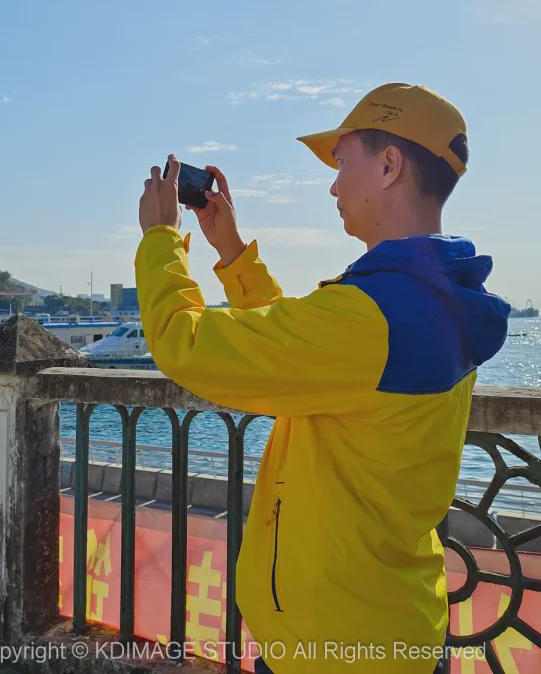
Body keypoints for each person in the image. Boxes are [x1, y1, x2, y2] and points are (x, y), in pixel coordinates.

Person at [135, 82, 510, 672]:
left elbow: (185, 344)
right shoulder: (434, 298)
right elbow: (300, 353)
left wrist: (161, 239)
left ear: (388, 165)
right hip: (391, 619)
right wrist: (232, 252)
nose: (334, 186)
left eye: (341, 163)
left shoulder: (372, 317)